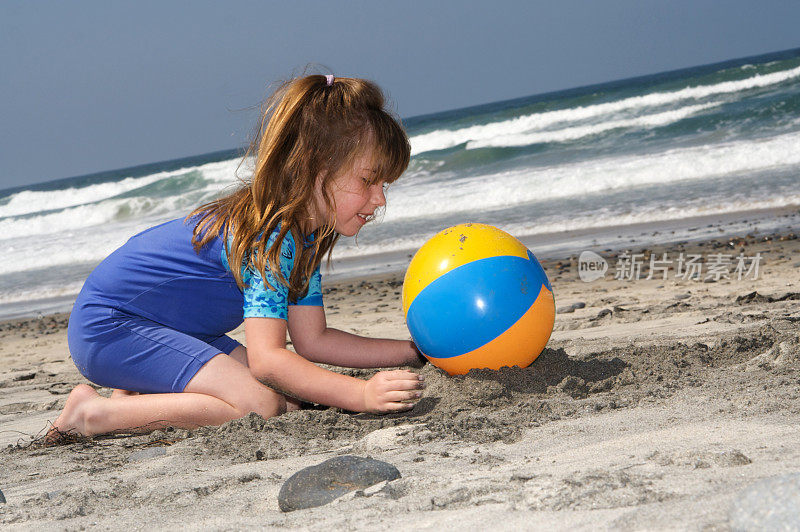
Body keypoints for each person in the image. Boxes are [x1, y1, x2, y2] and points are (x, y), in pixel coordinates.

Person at [49, 74, 425, 441]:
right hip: (111, 326)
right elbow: (269, 360)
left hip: (171, 331)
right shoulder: (271, 237)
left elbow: (315, 340)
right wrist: (361, 395)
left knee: (291, 400)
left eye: (384, 185)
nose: (380, 199)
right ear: (315, 168)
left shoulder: (304, 239)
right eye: (367, 181)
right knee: (259, 403)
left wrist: (413, 352)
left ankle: (139, 392)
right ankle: (92, 414)